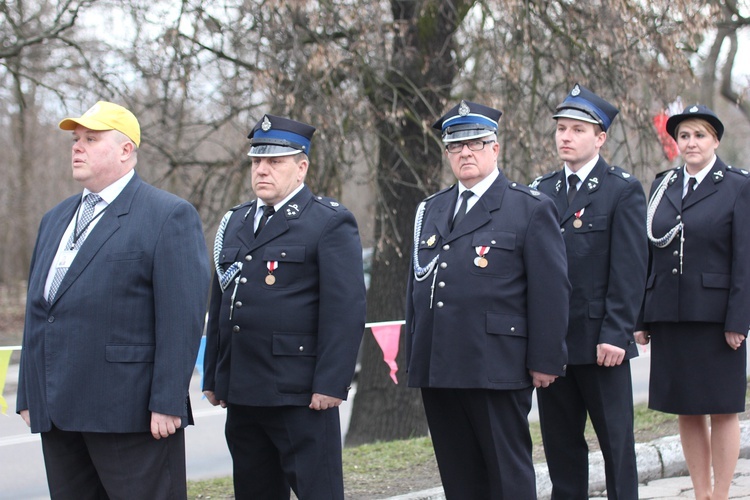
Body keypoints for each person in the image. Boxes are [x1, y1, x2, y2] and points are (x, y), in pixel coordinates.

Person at [16, 101, 211, 498]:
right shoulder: (55, 218)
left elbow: (181, 318)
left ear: (126, 150)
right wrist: (29, 393)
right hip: (59, 412)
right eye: (75, 139)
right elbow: (40, 311)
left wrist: (168, 399)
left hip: (132, 413)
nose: (77, 147)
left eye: (91, 138)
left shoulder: (167, 215)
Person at [405, 100, 570, 499]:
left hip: (496, 364)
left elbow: (551, 290)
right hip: (440, 365)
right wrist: (415, 356)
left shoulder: (528, 207)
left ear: (495, 148)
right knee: (459, 478)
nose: (466, 153)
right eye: (456, 146)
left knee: (506, 475)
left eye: (476, 143)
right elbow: (417, 289)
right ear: (447, 154)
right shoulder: (431, 209)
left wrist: (546, 359)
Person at [202, 114, 366, 500]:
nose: (262, 169)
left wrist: (331, 382)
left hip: (299, 391)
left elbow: (346, 310)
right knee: (254, 491)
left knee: (317, 491)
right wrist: (213, 375)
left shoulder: (328, 221)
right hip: (243, 389)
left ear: (301, 167)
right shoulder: (236, 221)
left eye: (275, 162)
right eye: (257, 161)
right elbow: (221, 301)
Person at [531, 83, 648, 499]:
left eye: (577, 129)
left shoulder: (622, 189)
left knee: (616, 445)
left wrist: (617, 332)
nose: (565, 136)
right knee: (562, 448)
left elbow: (630, 269)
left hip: (603, 346)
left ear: (599, 138)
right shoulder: (540, 191)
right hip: (554, 348)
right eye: (561, 128)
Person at [635, 104, 750, 500]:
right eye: (684, 136)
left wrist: (740, 319)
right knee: (687, 408)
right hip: (670, 314)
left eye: (699, 135)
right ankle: (700, 494)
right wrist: (641, 316)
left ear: (715, 140)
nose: (691, 143)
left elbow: (745, 258)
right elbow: (648, 254)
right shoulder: (663, 185)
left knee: (722, 408)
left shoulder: (737, 185)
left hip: (717, 319)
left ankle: (720, 495)